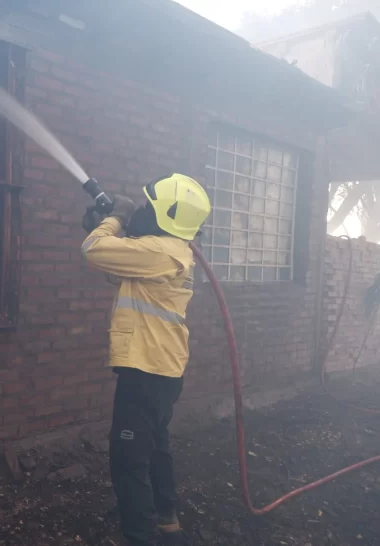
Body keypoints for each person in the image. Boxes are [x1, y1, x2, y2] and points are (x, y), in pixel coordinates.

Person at [81, 174, 211, 546]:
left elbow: (92, 250)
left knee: (128, 458)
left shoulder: (158, 250)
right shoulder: (170, 250)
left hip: (146, 370)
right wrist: (107, 228)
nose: (141, 209)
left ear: (164, 214)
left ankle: (139, 536)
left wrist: (115, 219)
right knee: (155, 449)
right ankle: (168, 524)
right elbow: (117, 271)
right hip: (163, 369)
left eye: (148, 205)